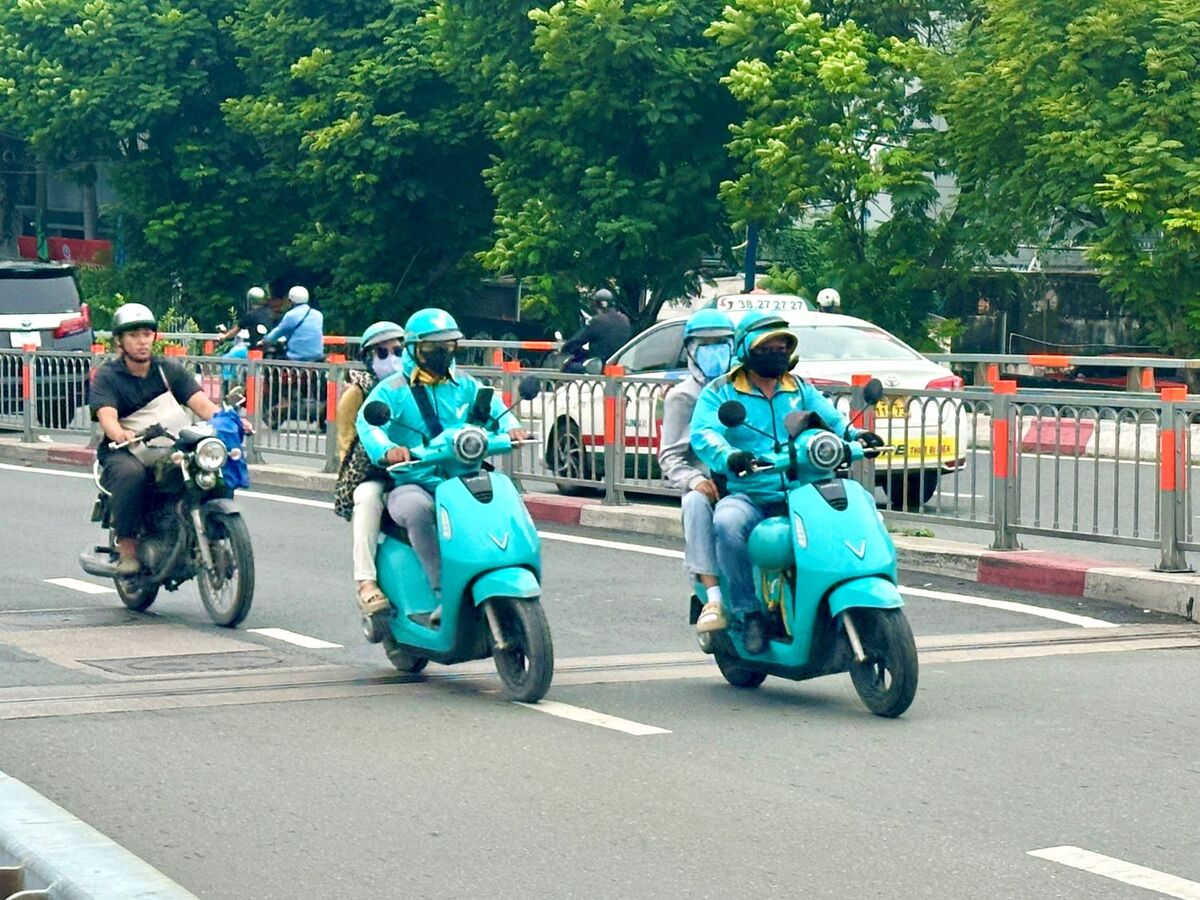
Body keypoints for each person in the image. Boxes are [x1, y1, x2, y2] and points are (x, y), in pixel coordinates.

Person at [690, 312, 884, 653]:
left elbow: (832, 419)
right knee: (727, 523)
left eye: (782, 347)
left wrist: (857, 436)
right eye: (767, 348)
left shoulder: (799, 388)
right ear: (746, 350)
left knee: (863, 505)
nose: (776, 353)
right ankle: (748, 611)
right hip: (751, 493)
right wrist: (729, 456)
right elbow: (704, 434)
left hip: (805, 490)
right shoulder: (721, 392)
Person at [356, 308, 531, 624]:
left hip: (465, 475)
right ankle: (441, 592)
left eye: (448, 345)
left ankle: (497, 569)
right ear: (413, 348)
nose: (442, 353)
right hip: (415, 480)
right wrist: (389, 450)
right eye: (433, 347)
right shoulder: (392, 390)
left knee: (501, 501)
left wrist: (513, 429)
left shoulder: (464, 383)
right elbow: (368, 425)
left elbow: (495, 408)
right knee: (416, 510)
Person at [90, 303, 224, 575]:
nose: (142, 341)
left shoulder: (168, 370)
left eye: (146, 334)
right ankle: (128, 549)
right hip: (124, 449)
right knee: (130, 475)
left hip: (170, 442)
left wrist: (230, 421)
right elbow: (107, 417)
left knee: (210, 467)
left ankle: (215, 532)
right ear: (119, 341)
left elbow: (203, 405)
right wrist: (120, 433)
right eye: (133, 335)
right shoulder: (108, 376)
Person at [656, 309, 735, 634]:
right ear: (690, 350)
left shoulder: (742, 389)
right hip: (711, 487)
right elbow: (670, 457)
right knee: (694, 503)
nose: (715, 351)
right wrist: (695, 479)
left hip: (753, 482)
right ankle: (713, 597)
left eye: (722, 344)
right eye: (706, 345)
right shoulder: (683, 397)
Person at [332, 321, 407, 621]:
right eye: (382, 353)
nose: (392, 358)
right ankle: (366, 581)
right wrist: (379, 455)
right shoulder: (359, 391)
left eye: (398, 350)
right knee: (366, 497)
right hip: (374, 470)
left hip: (422, 467)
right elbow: (346, 441)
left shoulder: (420, 384)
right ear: (368, 358)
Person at [561, 288, 631, 371]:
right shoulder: (625, 320)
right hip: (620, 366)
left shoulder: (598, 320)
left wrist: (565, 348)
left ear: (597, 306)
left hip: (599, 367)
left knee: (569, 367)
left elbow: (578, 340)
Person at [261, 285, 325, 362]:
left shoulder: (291, 315)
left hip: (296, 357)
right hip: (318, 357)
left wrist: (265, 339)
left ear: (291, 301)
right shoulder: (318, 315)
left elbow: (278, 332)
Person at [218, 286, 284, 349]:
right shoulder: (272, 313)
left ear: (250, 300)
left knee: (232, 354)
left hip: (257, 349)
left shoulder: (250, 315)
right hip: (274, 347)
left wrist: (224, 337)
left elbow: (235, 331)